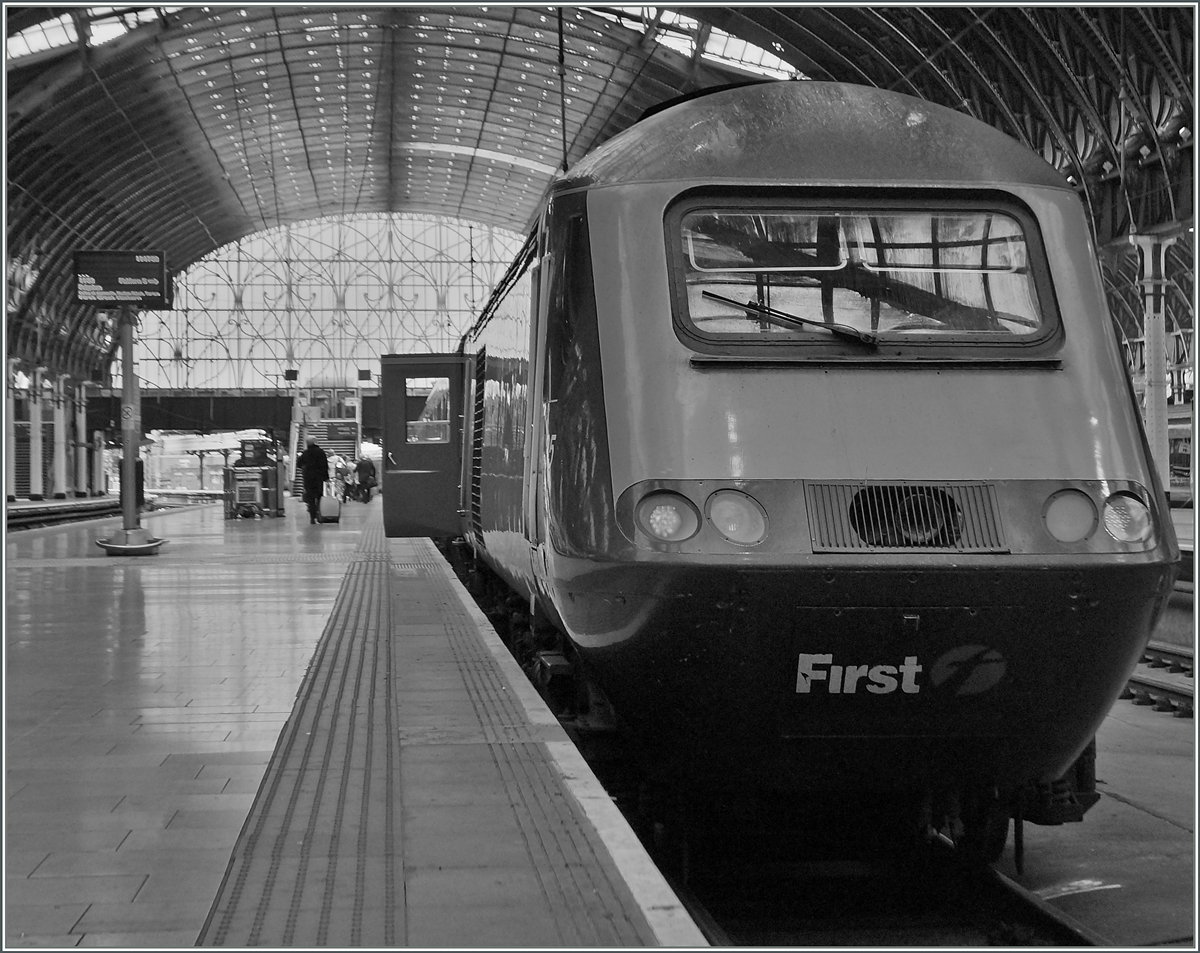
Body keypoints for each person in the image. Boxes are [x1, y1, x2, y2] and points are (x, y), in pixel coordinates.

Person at [296, 436, 329, 524]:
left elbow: (299, 464)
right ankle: (319, 515)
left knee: (310, 497)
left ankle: (312, 517)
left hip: (308, 478)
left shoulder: (305, 453)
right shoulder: (320, 452)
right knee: (319, 496)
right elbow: (325, 466)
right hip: (319, 478)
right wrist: (326, 478)